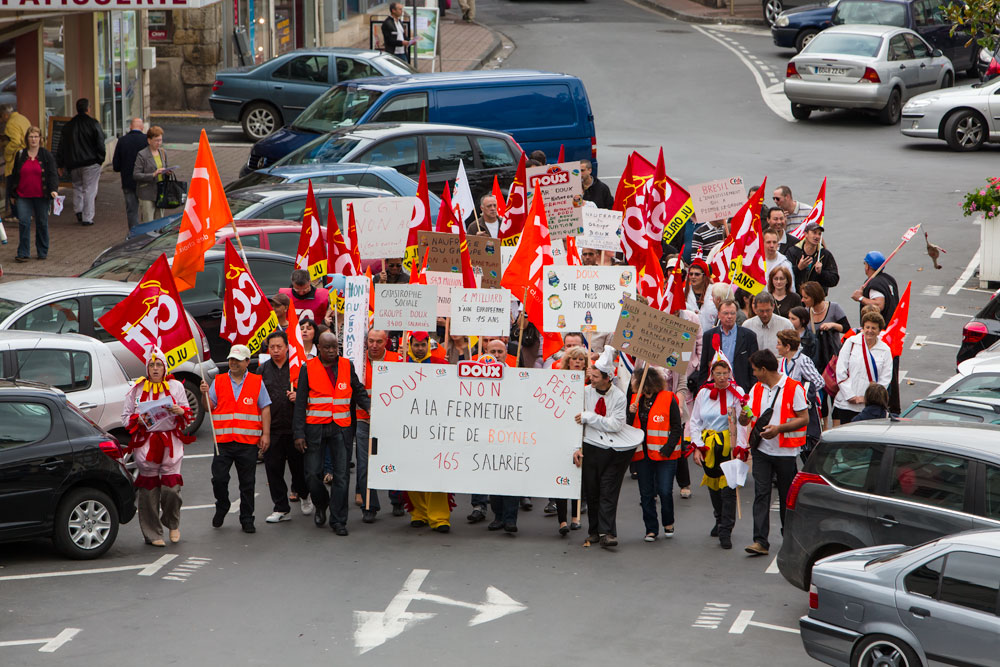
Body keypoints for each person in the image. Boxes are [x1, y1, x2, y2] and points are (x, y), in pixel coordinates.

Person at [293, 332, 370, 536]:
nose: (331, 351)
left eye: (334, 347)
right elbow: (300, 403)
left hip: (341, 428)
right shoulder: (307, 368)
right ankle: (321, 503)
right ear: (318, 347)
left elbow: (358, 390)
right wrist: (298, 433)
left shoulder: (346, 365)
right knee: (311, 474)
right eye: (327, 347)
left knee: (342, 476)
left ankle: (339, 520)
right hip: (315, 428)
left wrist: (371, 407)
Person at [121, 350, 194, 546]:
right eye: (152, 366)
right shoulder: (136, 390)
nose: (155, 369)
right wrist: (138, 420)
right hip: (146, 444)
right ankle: (152, 533)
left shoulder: (176, 386)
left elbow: (188, 416)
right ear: (147, 368)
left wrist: (181, 411)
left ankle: (172, 522)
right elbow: (126, 418)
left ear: (165, 367)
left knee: (171, 489)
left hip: (170, 444)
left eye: (159, 365)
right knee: (148, 492)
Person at [741, 349, 809, 557]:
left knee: (787, 497)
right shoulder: (756, 389)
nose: (753, 373)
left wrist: (778, 428)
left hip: (786, 453)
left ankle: (788, 538)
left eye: (755, 370)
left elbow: (804, 418)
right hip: (762, 450)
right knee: (761, 494)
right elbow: (750, 415)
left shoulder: (793, 388)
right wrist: (743, 418)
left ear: (763, 369)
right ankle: (760, 541)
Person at [201, 345, 272, 534]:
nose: (232, 363)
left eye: (237, 360)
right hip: (223, 441)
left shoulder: (257, 382)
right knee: (219, 479)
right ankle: (222, 505)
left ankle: (247, 518)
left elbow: (265, 407)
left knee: (247, 483)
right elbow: (209, 407)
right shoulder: (220, 380)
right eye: (231, 359)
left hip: (247, 442)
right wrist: (204, 394)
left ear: (247, 362)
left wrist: (265, 434)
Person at [572, 346, 633, 549]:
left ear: (607, 377)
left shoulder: (619, 396)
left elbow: (616, 424)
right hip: (591, 448)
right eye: (592, 375)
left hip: (613, 452)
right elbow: (575, 422)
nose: (592, 379)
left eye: (596, 376)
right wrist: (576, 447)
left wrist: (591, 418)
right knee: (593, 491)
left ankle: (608, 532)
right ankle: (594, 531)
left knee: (608, 490)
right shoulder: (584, 392)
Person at [690, 356, 748, 550]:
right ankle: (719, 518)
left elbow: (743, 422)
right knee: (713, 486)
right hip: (710, 446)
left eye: (725, 373)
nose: (722, 377)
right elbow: (695, 421)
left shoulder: (738, 393)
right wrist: (697, 446)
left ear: (730, 373)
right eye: (718, 373)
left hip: (729, 445)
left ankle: (726, 529)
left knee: (729, 488)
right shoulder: (703, 394)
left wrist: (741, 447)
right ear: (712, 375)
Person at [258, 331, 312, 523]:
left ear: (287, 347)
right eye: (272, 347)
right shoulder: (262, 370)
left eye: (279, 346)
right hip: (272, 428)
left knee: (299, 468)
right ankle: (281, 507)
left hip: (295, 428)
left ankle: (304, 494)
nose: (275, 350)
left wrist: (299, 398)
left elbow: (313, 394)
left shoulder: (299, 368)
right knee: (273, 469)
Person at [628, 367, 683, 542]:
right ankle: (651, 528)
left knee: (665, 491)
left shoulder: (668, 398)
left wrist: (667, 448)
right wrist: (630, 413)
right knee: (646, 494)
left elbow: (676, 427)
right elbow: (630, 428)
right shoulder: (636, 400)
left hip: (664, 454)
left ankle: (668, 522)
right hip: (643, 454)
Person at [358, 329, 400, 522]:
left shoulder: (398, 360)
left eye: (378, 342)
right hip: (363, 419)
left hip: (391, 421)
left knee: (393, 461)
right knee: (365, 464)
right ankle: (369, 506)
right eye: (371, 341)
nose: (374, 345)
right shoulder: (357, 362)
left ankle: (397, 500)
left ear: (386, 342)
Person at [8, 126, 58, 262]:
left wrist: (53, 189)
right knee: (24, 222)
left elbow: (53, 174)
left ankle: (42, 251)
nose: (33, 139)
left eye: (36, 136)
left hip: (42, 196)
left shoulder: (46, 155)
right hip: (23, 195)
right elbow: (14, 176)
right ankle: (23, 252)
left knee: (42, 223)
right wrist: (12, 194)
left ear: (40, 139)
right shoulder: (20, 155)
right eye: (31, 137)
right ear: (27, 139)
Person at [833, 311, 892, 426]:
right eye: (867, 327)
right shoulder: (851, 343)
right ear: (863, 327)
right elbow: (840, 371)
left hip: (870, 406)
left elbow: (885, 379)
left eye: (874, 328)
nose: (870, 330)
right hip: (847, 403)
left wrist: (866, 398)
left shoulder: (885, 350)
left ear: (879, 331)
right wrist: (851, 396)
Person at [57, 98, 105, 227]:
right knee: (89, 189)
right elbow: (100, 142)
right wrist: (100, 159)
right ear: (88, 109)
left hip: (73, 163)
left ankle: (78, 211)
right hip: (91, 162)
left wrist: (60, 164)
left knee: (77, 187)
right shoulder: (93, 123)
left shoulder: (68, 126)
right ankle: (87, 217)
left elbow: (61, 146)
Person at [697, 300, 758, 392]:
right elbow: (704, 366)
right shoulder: (709, 335)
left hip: (740, 388)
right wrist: (702, 388)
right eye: (725, 313)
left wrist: (752, 390)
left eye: (732, 313)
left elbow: (754, 367)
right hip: (715, 388)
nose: (729, 316)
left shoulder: (749, 336)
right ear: (719, 315)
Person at [112, 118, 147, 230]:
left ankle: (134, 233)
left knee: (131, 210)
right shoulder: (147, 140)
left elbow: (116, 165)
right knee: (146, 209)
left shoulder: (122, 140)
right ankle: (147, 233)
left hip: (128, 181)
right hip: (145, 181)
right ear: (142, 128)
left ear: (130, 127)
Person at [786, 222, 839, 294]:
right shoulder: (793, 252)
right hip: (797, 297)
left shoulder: (825, 254)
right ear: (806, 234)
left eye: (819, 234)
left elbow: (834, 280)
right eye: (814, 233)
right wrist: (798, 268)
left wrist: (821, 273)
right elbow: (785, 276)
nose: (817, 236)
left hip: (817, 298)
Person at [132, 125, 171, 223]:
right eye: (156, 140)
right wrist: (153, 175)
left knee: (160, 222)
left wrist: (167, 172)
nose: (159, 143)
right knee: (148, 222)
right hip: (147, 194)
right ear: (149, 140)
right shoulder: (142, 154)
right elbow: (136, 174)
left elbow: (165, 167)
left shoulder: (163, 152)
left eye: (160, 140)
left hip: (160, 192)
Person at [853, 251, 899, 323]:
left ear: (867, 266)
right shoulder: (889, 279)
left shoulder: (875, 283)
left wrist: (860, 298)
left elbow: (879, 305)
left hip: (880, 329)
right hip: (892, 324)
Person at [1, 103, 30, 215]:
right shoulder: (22, 118)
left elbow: (16, 141)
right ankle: (25, 211)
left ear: (5, 115)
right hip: (26, 156)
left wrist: (7, 152)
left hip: (16, 159)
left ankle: (16, 213)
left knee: (13, 186)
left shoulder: (10, 124)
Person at [743, 292, 793, 356]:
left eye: (768, 310)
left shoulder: (786, 324)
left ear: (773, 307)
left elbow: (795, 349)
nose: (765, 314)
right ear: (754, 309)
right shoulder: (747, 325)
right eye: (761, 311)